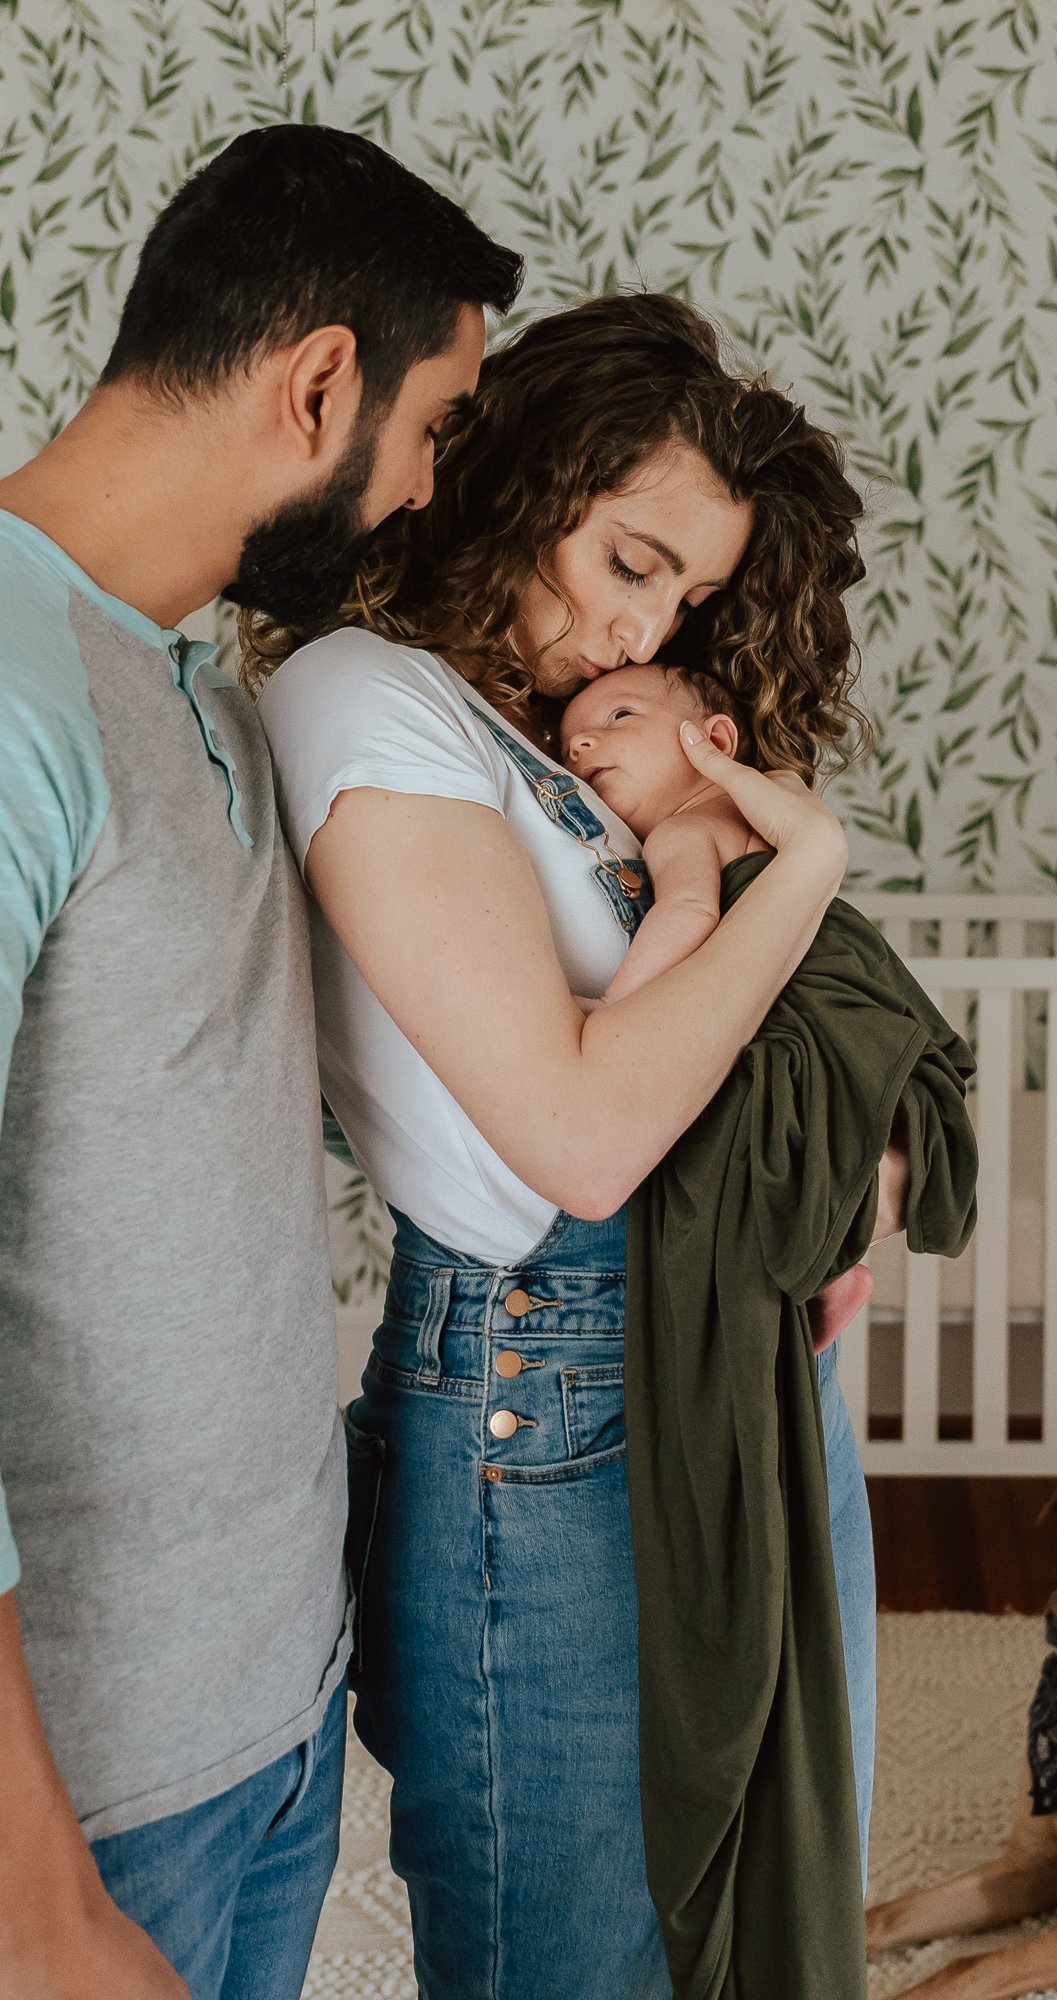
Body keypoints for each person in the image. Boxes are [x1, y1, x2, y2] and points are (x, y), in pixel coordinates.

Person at [250, 290, 904, 2000]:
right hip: (554, 1368)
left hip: (729, 1343)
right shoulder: (363, 700)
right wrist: (807, 866)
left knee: (763, 1884)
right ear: (524, 478)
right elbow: (590, 1134)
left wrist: (842, 1184)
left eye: (683, 598)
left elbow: (734, 1051)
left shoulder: (551, 750)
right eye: (628, 561)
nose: (643, 634)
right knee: (581, 1947)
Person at [0, 123, 520, 2000]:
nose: (427, 492)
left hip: (270, 1718)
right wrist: (39, 1903)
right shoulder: (7, 699)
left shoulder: (196, 686)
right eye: (437, 428)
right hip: (88, 1792)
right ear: (319, 383)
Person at [560, 659, 880, 1346]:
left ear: (714, 742)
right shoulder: (766, 811)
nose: (581, 745)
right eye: (568, 743)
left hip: (786, 1018)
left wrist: (617, 1009)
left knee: (714, 1138)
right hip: (840, 1028)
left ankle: (814, 1264)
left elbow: (687, 914)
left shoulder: (684, 829)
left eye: (619, 717)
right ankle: (829, 1264)